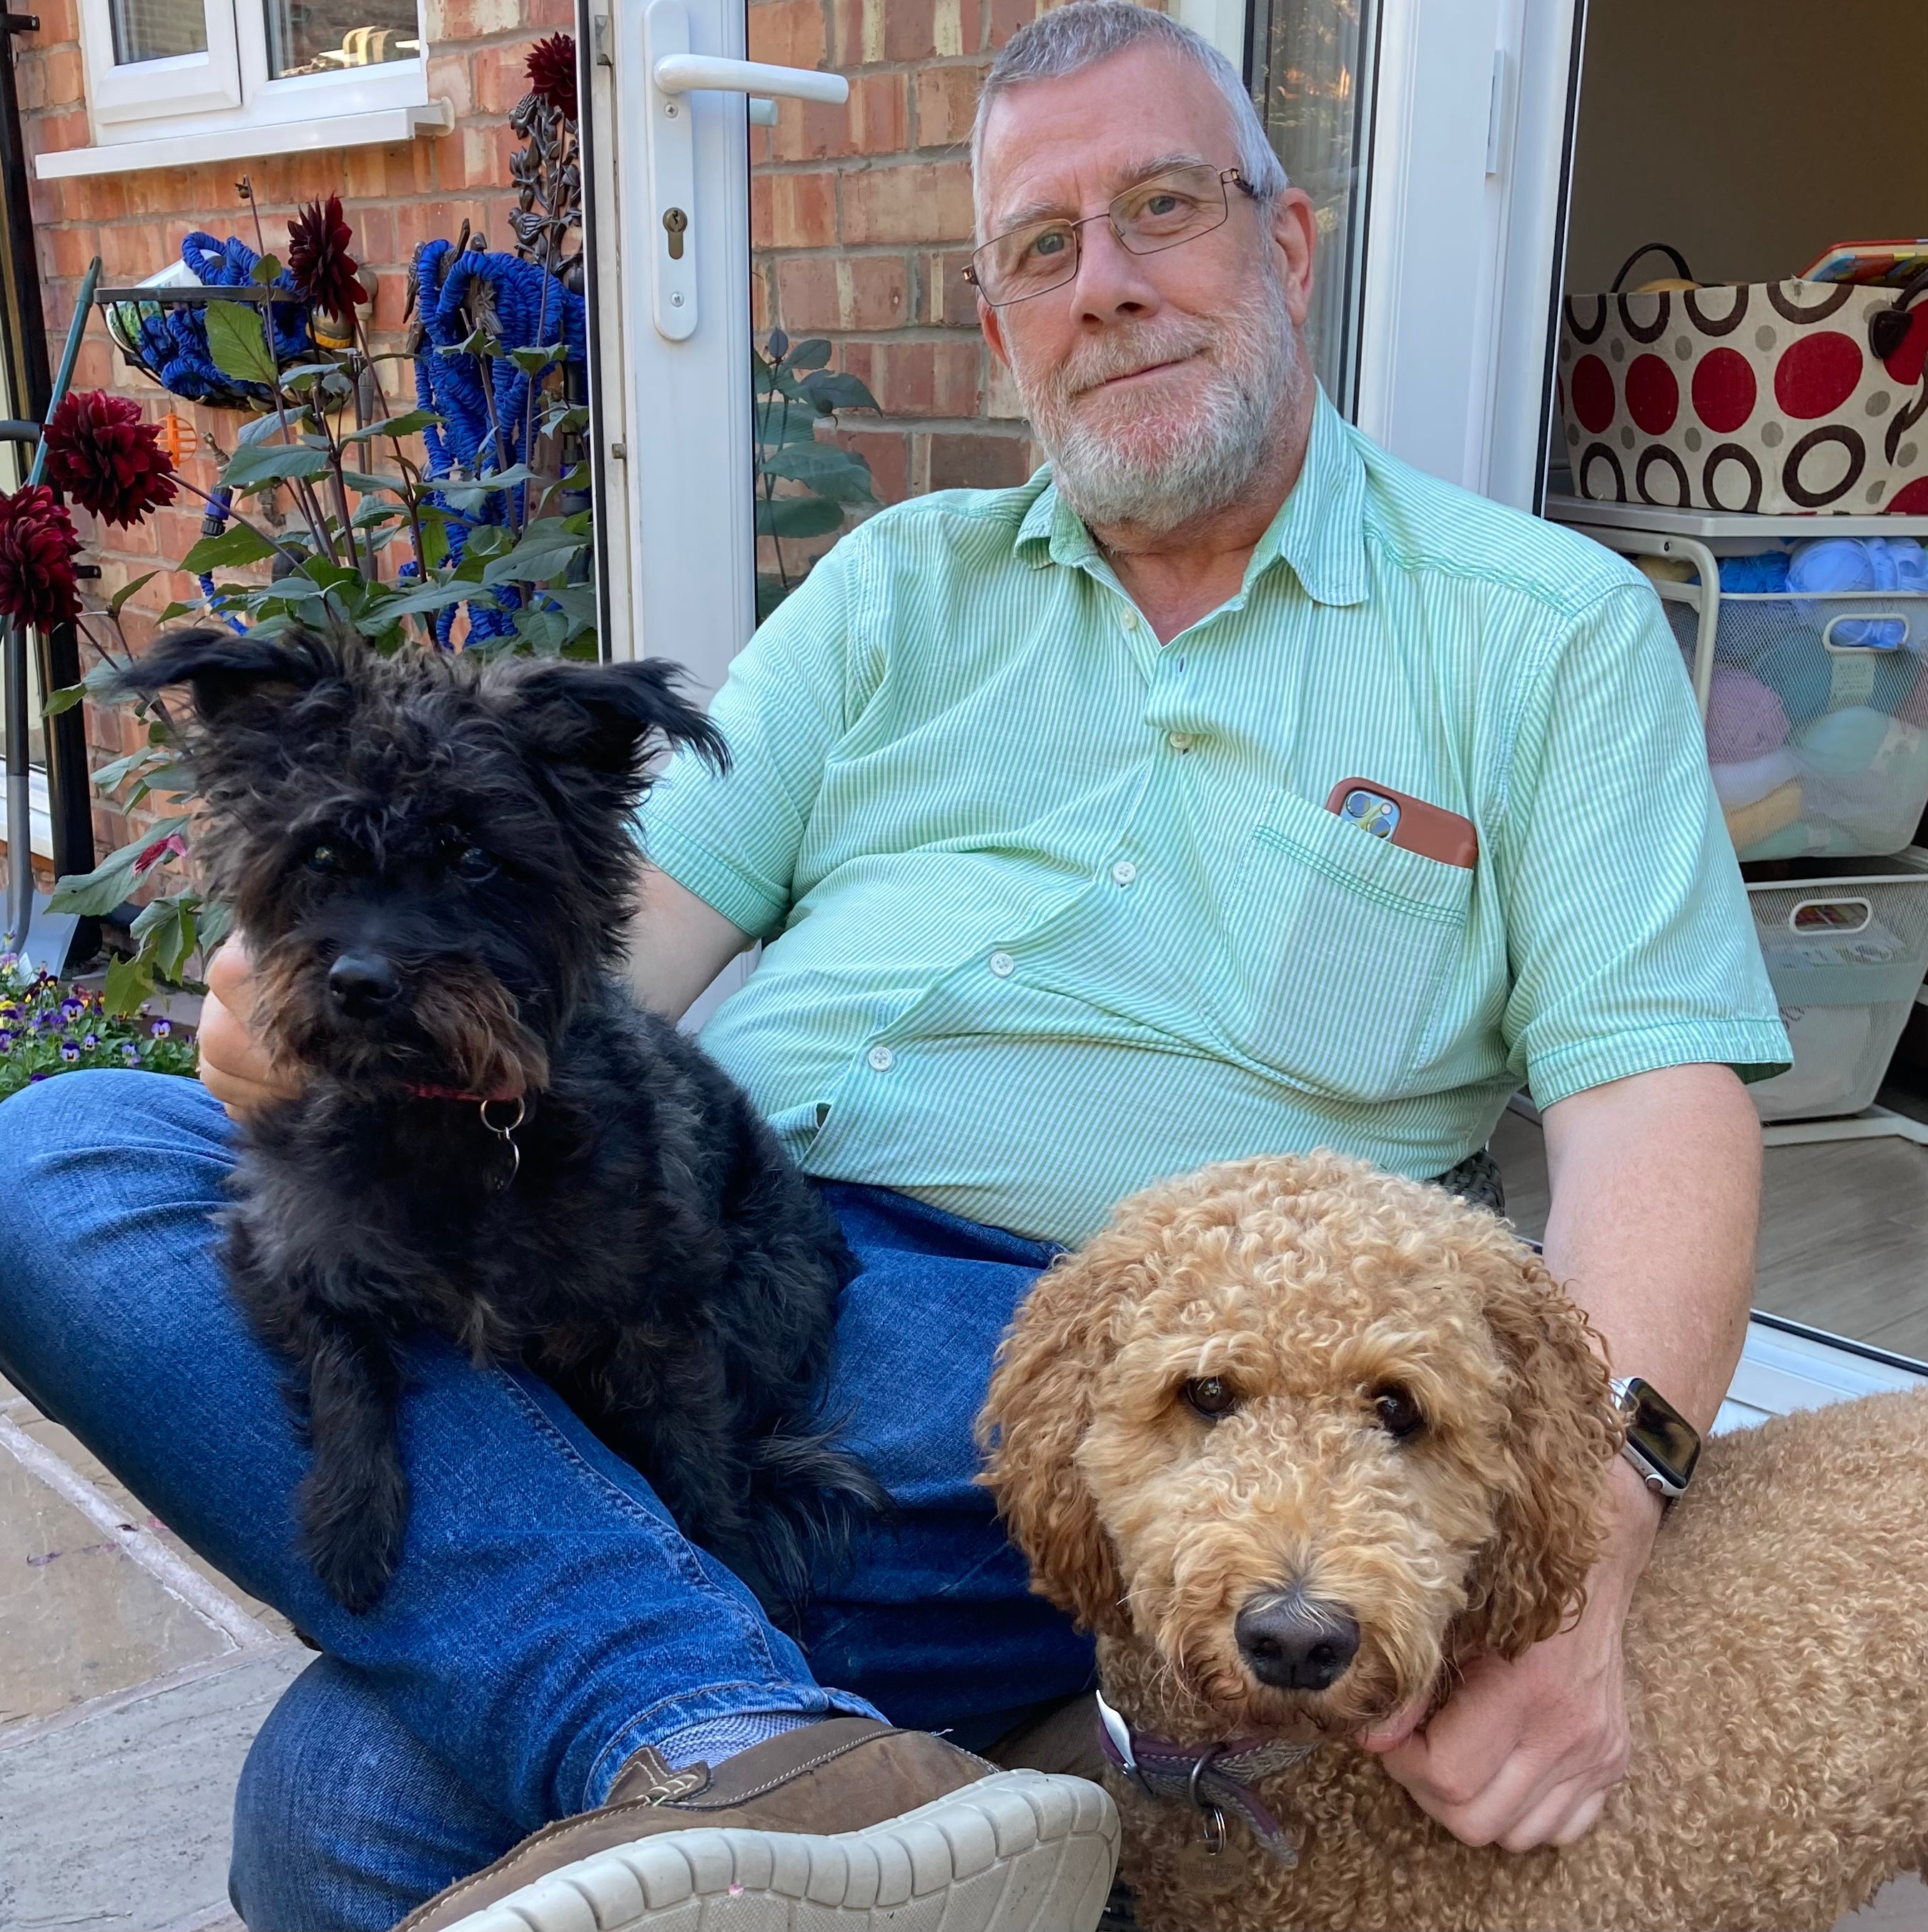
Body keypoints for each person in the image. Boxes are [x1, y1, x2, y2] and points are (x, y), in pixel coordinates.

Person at [0, 6, 1788, 1928]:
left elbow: (1657, 1114)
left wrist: (1588, 1553)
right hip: (706, 1250)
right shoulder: (888, 590)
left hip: (1118, 1350)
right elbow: (596, 961)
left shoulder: (1538, 635)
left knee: (353, 1793)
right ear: (998, 315)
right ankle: (720, 1711)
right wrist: (339, 997)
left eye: (1161, 209)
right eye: (1041, 246)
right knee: (67, 1153)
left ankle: (657, 1688)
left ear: (1287, 247)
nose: (1101, 288)